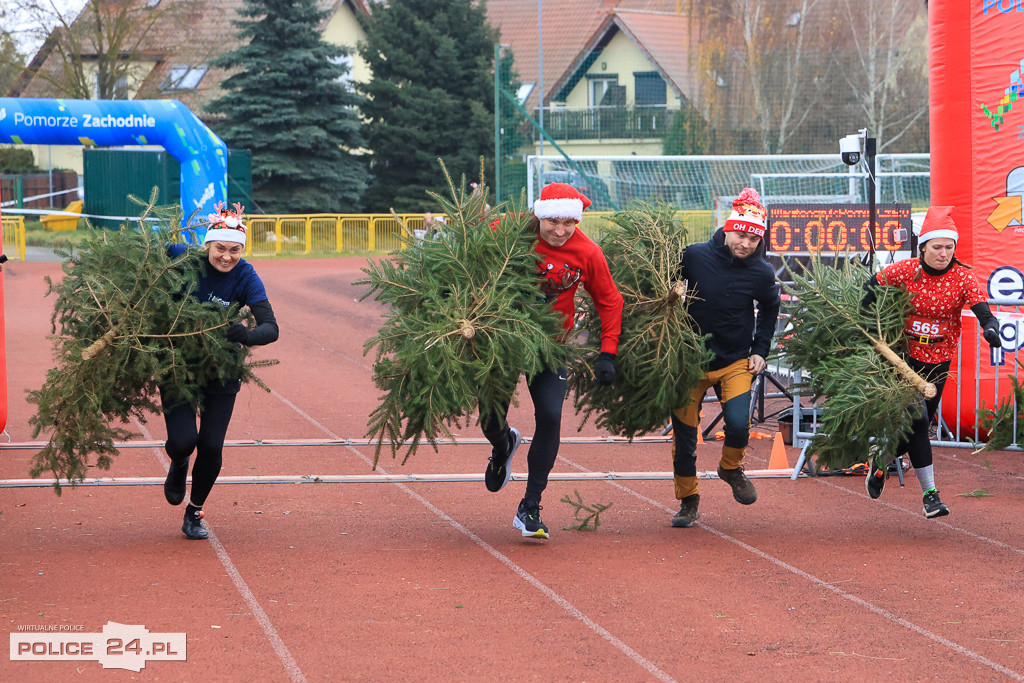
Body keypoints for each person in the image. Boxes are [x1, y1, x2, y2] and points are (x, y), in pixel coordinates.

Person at [483, 182, 623, 539]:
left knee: (550, 415)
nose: (560, 231)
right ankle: (503, 446)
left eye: (568, 223)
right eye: (552, 223)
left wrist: (608, 352)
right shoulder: (511, 231)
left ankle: (530, 506)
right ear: (539, 216)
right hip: (505, 340)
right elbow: (471, 254)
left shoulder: (587, 252)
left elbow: (610, 300)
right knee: (490, 417)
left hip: (552, 346)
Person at [861, 205, 1001, 518]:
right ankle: (931, 496)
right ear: (923, 246)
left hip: (938, 364)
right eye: (937, 247)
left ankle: (881, 460)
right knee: (919, 421)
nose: (943, 253)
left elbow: (982, 309)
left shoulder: (963, 277)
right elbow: (870, 288)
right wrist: (868, 325)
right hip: (904, 362)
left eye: (949, 247)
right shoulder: (906, 270)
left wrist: (990, 328)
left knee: (914, 431)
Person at [163, 202, 279, 539]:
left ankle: (194, 512)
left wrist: (247, 333)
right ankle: (179, 460)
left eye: (234, 250)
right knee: (184, 441)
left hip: (222, 364)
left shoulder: (246, 275)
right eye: (220, 249)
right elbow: (145, 255)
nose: (226, 257)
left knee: (212, 446)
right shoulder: (185, 257)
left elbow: (271, 327)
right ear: (207, 246)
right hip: (179, 361)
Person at [669, 187, 781, 528]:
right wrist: (672, 288)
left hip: (735, 360)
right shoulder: (695, 256)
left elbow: (771, 307)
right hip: (690, 361)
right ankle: (688, 501)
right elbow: (667, 278)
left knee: (738, 425)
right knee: (685, 437)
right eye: (740, 235)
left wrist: (761, 350)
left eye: (753, 239)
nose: (745, 244)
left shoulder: (761, 272)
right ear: (727, 228)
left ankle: (730, 468)